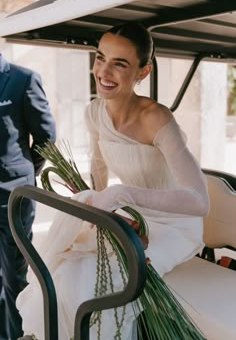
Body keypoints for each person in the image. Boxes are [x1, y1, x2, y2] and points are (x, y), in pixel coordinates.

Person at [16, 22, 209, 340]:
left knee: (98, 284)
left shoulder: (157, 119)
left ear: (143, 72)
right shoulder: (94, 112)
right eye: (100, 58)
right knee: (65, 267)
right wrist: (101, 213)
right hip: (133, 219)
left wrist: (124, 193)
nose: (104, 71)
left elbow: (199, 201)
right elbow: (99, 167)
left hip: (175, 224)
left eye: (120, 64)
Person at [0, 53, 56, 340]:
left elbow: (46, 138)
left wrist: (22, 175)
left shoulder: (23, 79)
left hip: (13, 198)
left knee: (15, 277)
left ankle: (16, 336)